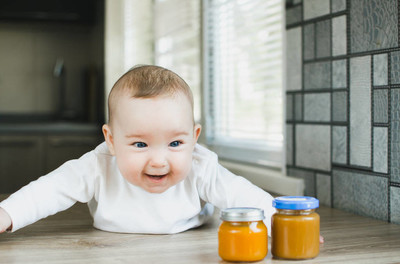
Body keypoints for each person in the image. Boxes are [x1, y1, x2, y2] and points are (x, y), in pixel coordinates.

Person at [0, 65, 275, 235]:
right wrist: (7, 214)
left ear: (194, 138)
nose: (158, 161)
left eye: (176, 143)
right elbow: (51, 189)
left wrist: (279, 220)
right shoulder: (97, 164)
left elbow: (240, 193)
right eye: (140, 144)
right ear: (111, 140)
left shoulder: (200, 166)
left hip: (190, 245)